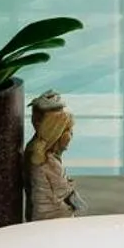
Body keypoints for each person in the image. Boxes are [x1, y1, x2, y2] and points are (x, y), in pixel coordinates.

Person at [24, 90, 84, 221]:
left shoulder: (33, 150)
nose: (70, 136)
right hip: (53, 215)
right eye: (67, 130)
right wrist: (77, 202)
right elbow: (63, 191)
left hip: (38, 212)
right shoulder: (49, 162)